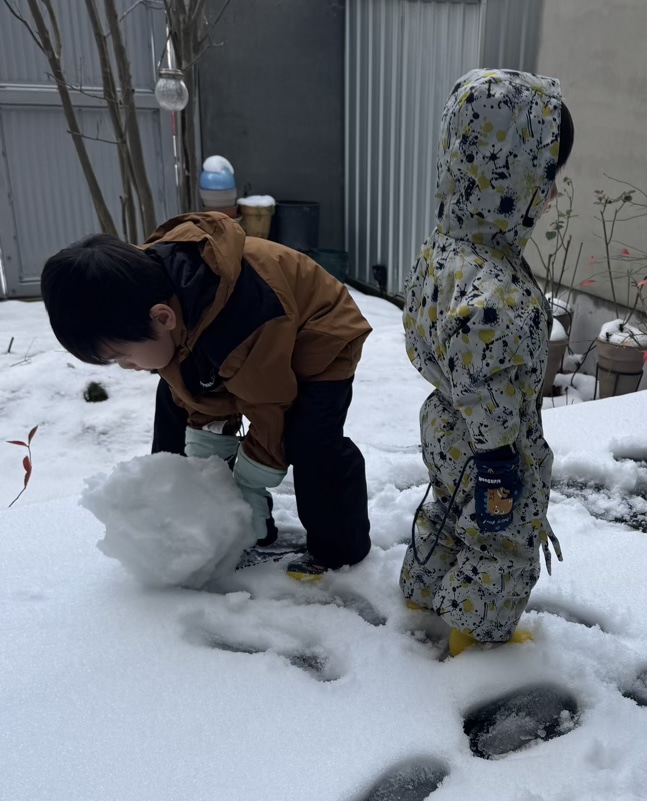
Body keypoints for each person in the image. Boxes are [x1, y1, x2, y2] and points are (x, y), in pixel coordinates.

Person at [40, 212, 372, 578]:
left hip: (317, 333)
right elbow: (195, 391)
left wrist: (250, 481)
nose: (125, 367)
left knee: (309, 439)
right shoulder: (147, 297)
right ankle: (184, 514)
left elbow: (268, 404)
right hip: (228, 341)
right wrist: (205, 458)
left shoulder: (245, 314)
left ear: (163, 317)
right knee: (173, 405)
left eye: (123, 355)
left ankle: (339, 548)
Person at [399, 68, 574, 656]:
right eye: (546, 175)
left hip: (443, 421)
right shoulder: (497, 294)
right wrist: (503, 471)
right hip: (491, 449)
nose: (550, 193)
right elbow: (492, 385)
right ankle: (472, 641)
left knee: (447, 510)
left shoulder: (445, 248)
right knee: (501, 544)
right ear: (516, 174)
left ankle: (422, 589)